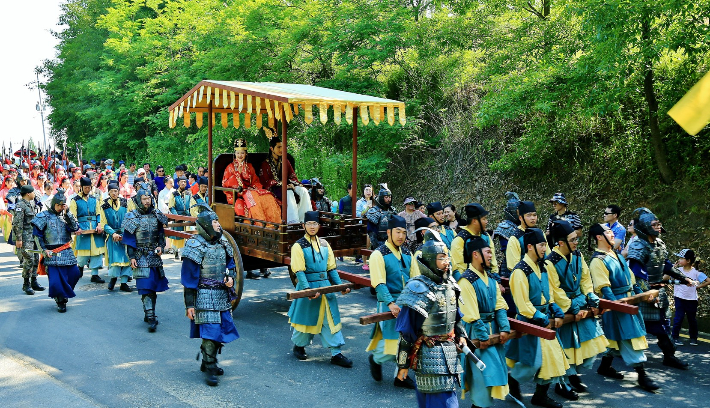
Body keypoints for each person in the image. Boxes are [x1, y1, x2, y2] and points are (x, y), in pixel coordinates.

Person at [395, 233, 468, 407]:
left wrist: (461, 334)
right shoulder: (417, 288)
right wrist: (402, 364)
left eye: (447, 257)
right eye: (441, 258)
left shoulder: (450, 284)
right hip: (428, 355)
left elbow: (455, 315)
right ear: (429, 259)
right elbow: (407, 331)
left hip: (449, 353)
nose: (447, 262)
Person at [588, 223, 659, 391]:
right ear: (599, 237)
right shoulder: (597, 261)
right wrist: (617, 306)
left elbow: (631, 279)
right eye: (608, 232)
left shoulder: (616, 255)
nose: (613, 234)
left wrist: (641, 295)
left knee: (615, 339)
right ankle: (642, 375)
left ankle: (604, 367)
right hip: (617, 304)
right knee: (630, 337)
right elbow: (604, 288)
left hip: (628, 300)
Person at [544, 220, 608, 400]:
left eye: (576, 239)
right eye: (572, 240)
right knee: (565, 350)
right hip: (564, 310)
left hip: (579, 303)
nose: (576, 242)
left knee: (589, 344)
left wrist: (590, 296)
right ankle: (561, 383)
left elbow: (585, 280)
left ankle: (573, 376)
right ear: (561, 242)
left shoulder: (578, 255)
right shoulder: (551, 262)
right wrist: (573, 306)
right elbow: (555, 291)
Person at [505, 228, 569, 408]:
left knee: (553, 360)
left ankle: (540, 395)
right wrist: (541, 317)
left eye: (545, 245)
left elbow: (547, 296)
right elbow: (523, 305)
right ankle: (513, 380)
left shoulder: (543, 267)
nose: (545, 249)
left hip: (543, 320)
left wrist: (554, 308)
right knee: (531, 364)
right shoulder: (519, 271)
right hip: (529, 323)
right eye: (542, 245)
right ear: (530, 246)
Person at [625, 207, 692, 370]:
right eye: (654, 224)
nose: (658, 227)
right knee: (635, 329)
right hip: (644, 294)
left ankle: (669, 356)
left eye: (658, 224)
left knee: (663, 327)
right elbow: (637, 274)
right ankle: (611, 359)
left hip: (658, 293)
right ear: (646, 227)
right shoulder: (638, 246)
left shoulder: (660, 244)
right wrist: (646, 294)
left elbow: (666, 265)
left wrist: (683, 278)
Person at [181, 206, 240, 386]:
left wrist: (230, 277)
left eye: (217, 221)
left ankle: (208, 359)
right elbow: (189, 279)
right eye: (214, 222)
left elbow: (231, 265)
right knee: (210, 332)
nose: (218, 225)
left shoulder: (223, 242)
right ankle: (210, 365)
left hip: (222, 295)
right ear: (206, 224)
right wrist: (189, 305)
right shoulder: (194, 245)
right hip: (204, 295)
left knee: (221, 331)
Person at [287, 211, 354, 368]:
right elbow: (299, 271)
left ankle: (336, 353)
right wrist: (307, 290)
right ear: (304, 226)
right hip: (308, 287)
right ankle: (299, 345)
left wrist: (340, 287)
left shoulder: (325, 244)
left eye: (315, 224)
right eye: (309, 224)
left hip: (325, 287)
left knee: (330, 319)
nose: (312, 226)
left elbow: (331, 269)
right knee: (305, 320)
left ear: (319, 225)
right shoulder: (298, 246)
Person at [458, 235, 510, 408]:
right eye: (488, 252)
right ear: (475, 254)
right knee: (482, 375)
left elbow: (500, 305)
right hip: (476, 333)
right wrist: (483, 336)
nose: (491, 256)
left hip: (492, 329)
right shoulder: (466, 281)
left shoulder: (490, 279)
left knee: (492, 374)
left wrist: (504, 328)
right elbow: (471, 313)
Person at [366, 215, 415, 389]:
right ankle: (376, 358)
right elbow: (378, 282)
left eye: (404, 232)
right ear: (388, 232)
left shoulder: (408, 253)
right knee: (393, 344)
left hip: (407, 303)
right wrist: (390, 303)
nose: (401, 236)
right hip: (390, 303)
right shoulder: (379, 254)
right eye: (397, 232)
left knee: (408, 342)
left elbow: (415, 279)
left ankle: (400, 377)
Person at [122, 187, 169, 332]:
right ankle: (151, 316)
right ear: (139, 200)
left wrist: (161, 246)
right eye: (144, 199)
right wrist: (131, 257)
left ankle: (149, 312)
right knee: (145, 286)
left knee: (153, 287)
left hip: (154, 256)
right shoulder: (132, 216)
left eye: (149, 198)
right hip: (140, 256)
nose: (147, 201)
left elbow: (161, 234)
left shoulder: (156, 215)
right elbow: (129, 239)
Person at [31, 189, 82, 312]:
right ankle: (60, 299)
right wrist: (43, 250)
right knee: (55, 280)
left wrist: (67, 212)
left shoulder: (66, 216)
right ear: (54, 203)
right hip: (51, 251)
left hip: (66, 250)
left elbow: (75, 228)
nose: (59, 207)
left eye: (62, 205)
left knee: (75, 273)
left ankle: (64, 293)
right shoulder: (43, 216)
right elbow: (37, 235)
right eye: (58, 205)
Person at [221, 138, 280, 224]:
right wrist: (238, 177)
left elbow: (255, 180)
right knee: (253, 196)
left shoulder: (249, 166)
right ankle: (260, 222)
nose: (240, 155)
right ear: (235, 154)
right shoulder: (230, 167)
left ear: (246, 154)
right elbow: (225, 183)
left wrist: (255, 188)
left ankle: (274, 222)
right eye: (238, 153)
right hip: (236, 193)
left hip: (250, 190)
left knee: (268, 196)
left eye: (242, 153)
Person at [259, 133, 311, 223]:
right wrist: (283, 185)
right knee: (289, 193)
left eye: (282, 147)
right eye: (278, 147)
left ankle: (305, 220)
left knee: (303, 191)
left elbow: (292, 175)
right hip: (275, 188)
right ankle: (293, 221)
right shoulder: (265, 164)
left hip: (288, 185)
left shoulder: (285, 161)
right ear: (272, 148)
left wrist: (294, 184)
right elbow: (266, 181)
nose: (281, 150)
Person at [70, 177, 106, 283]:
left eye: (89, 187)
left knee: (97, 252)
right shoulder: (75, 200)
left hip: (95, 227)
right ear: (81, 187)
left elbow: (99, 213)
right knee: (82, 251)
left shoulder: (94, 199)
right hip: (82, 227)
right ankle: (80, 267)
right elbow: (73, 216)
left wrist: (99, 224)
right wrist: (77, 227)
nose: (87, 189)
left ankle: (94, 274)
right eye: (85, 187)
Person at [451, 203, 499, 282]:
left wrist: (497, 280)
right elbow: (459, 269)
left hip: (489, 280)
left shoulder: (486, 236)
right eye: (484, 219)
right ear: (474, 221)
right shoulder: (459, 240)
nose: (486, 222)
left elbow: (493, 261)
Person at [99, 181, 132, 292]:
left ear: (118, 191)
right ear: (108, 192)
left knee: (127, 258)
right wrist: (113, 233)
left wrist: (125, 232)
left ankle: (124, 282)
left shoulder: (125, 203)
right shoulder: (104, 205)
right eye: (112, 191)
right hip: (112, 235)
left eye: (116, 191)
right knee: (115, 259)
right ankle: (113, 278)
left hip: (124, 234)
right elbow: (103, 223)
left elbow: (129, 218)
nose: (114, 193)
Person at [671, 249, 709, 346]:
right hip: (679, 297)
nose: (679, 260)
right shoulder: (677, 271)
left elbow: (708, 280)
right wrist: (672, 268)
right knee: (678, 318)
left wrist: (697, 287)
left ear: (688, 261)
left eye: (681, 258)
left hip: (691, 300)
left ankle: (693, 338)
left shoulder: (696, 273)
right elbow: (667, 277)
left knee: (692, 319)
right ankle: (674, 337)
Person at [12, 185, 45, 295]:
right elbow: (17, 223)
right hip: (25, 238)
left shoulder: (31, 204)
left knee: (36, 258)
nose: (34, 194)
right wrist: (18, 239)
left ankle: (34, 281)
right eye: (33, 192)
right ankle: (26, 284)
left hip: (33, 236)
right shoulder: (20, 205)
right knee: (29, 259)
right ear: (28, 194)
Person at [506, 200, 550, 272]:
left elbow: (547, 255)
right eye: (529, 215)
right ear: (520, 218)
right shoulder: (515, 238)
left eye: (534, 215)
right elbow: (514, 266)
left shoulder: (540, 233)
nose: (533, 218)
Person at [492, 192, 521, 279]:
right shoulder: (504, 227)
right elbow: (506, 250)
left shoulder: (523, 226)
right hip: (509, 265)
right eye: (517, 211)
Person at [365, 184, 397, 250]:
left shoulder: (393, 211)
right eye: (386, 197)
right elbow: (372, 233)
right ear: (381, 198)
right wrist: (377, 247)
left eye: (389, 197)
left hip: (392, 243)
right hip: (379, 244)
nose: (388, 199)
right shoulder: (373, 212)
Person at [168, 176, 191, 259]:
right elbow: (171, 206)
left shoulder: (188, 193)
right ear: (178, 183)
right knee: (177, 235)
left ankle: (184, 253)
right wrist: (176, 216)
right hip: (178, 216)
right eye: (181, 182)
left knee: (187, 235)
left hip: (187, 216)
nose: (183, 183)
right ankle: (176, 251)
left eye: (185, 182)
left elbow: (191, 205)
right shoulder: (174, 194)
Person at [356, 184, 374, 270]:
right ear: (363, 191)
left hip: (374, 224)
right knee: (366, 244)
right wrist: (367, 209)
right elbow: (358, 214)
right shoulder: (359, 202)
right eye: (366, 190)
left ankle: (373, 262)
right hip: (363, 225)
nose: (368, 192)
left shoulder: (374, 201)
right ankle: (365, 263)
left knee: (375, 244)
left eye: (370, 190)